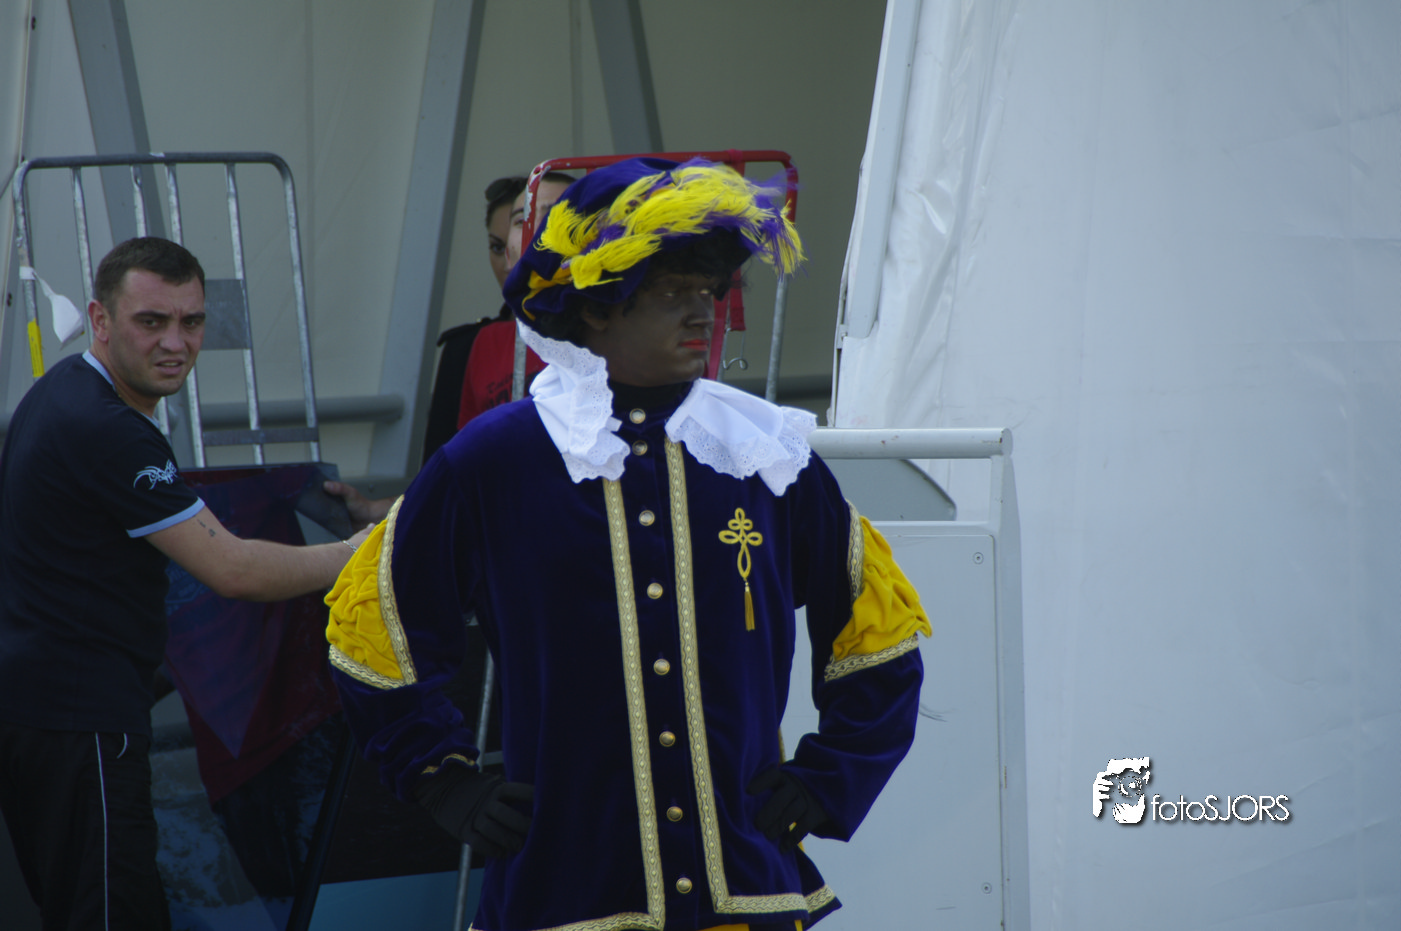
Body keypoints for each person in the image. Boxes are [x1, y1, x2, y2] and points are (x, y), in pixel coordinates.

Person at [325, 158, 931, 931]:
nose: (703, 311)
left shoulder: (767, 454)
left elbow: (878, 635)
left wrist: (829, 777)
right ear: (598, 306)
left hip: (743, 888)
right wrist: (440, 777)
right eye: (672, 291)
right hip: (563, 890)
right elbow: (376, 633)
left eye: (709, 290)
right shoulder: (493, 461)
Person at [0, 237, 372, 930]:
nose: (176, 343)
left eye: (191, 321)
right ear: (100, 319)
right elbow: (233, 569)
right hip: (80, 723)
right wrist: (362, 553)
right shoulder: (107, 426)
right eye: (152, 321)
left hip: (45, 715)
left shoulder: (62, 390)